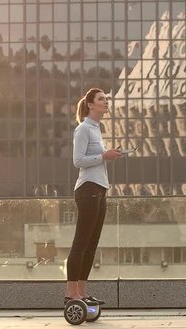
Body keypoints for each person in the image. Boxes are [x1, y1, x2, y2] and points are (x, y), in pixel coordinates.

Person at [65, 88, 122, 305]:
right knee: (81, 241)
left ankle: (81, 291)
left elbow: (95, 158)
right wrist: (103, 156)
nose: (105, 102)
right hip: (87, 189)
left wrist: (108, 155)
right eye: (101, 99)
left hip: (100, 188)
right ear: (90, 104)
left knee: (91, 243)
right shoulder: (83, 129)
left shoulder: (97, 129)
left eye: (106, 99)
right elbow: (78, 161)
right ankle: (71, 293)